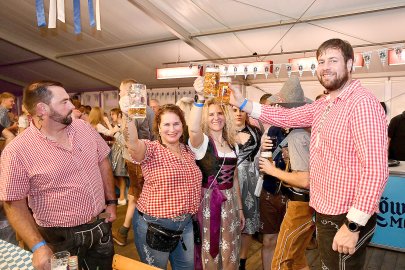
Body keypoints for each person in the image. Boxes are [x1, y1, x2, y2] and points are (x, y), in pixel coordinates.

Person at [230, 38, 388, 269]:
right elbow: (286, 117)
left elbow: (375, 170)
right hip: (324, 210)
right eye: (321, 61)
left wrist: (353, 225)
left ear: (350, 64)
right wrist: (243, 103)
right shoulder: (325, 104)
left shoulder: (362, 103)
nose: (325, 67)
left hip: (345, 216)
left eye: (333, 60)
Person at [0, 81, 117, 270]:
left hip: (100, 225)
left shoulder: (83, 128)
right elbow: (13, 203)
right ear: (42, 109)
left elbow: (102, 160)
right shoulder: (17, 151)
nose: (72, 106)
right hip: (59, 239)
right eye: (64, 102)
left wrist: (111, 203)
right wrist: (37, 246)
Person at [126, 104, 202, 269]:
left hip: (185, 225)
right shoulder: (152, 148)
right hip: (154, 226)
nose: (172, 129)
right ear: (158, 128)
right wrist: (129, 119)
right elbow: (133, 145)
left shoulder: (188, 151)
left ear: (183, 125)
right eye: (166, 124)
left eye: (176, 124)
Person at [258, 78, 315, 270]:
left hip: (299, 201)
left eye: (280, 107)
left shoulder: (299, 134)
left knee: (282, 260)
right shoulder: (308, 130)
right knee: (297, 258)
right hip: (300, 200)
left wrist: (272, 169)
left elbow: (304, 179)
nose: (277, 110)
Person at [189, 77, 245, 270]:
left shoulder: (233, 145)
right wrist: (200, 99)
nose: (216, 117)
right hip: (207, 202)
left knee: (230, 248)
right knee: (209, 248)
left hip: (229, 202)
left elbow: (235, 178)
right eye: (211, 114)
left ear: (226, 115)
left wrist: (239, 209)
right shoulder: (201, 143)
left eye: (220, 113)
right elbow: (193, 128)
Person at [112, 79, 155, 246]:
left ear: (130, 92)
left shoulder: (136, 110)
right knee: (135, 193)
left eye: (121, 91)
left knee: (139, 195)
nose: (120, 94)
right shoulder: (147, 110)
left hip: (137, 159)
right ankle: (124, 229)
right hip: (138, 159)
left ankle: (142, 233)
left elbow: (128, 138)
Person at [232, 106, 262, 270]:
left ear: (247, 113)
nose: (238, 114)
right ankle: (230, 257)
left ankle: (242, 260)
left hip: (250, 180)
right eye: (234, 110)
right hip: (229, 180)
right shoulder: (222, 132)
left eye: (241, 110)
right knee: (231, 219)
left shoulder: (256, 131)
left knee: (249, 221)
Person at [109, 108, 128, 205]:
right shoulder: (118, 126)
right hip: (116, 152)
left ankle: (122, 197)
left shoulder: (121, 125)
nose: (111, 116)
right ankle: (124, 193)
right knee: (114, 175)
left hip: (121, 152)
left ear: (119, 115)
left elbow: (110, 133)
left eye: (113, 114)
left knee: (120, 175)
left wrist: (105, 122)